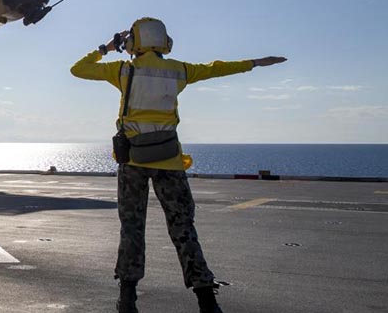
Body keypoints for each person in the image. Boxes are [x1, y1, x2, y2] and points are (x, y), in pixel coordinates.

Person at [70, 17, 286, 313]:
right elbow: (217, 68)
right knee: (183, 227)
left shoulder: (122, 70)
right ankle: (206, 299)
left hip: (132, 160)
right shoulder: (178, 71)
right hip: (169, 161)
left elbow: (77, 69)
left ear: (133, 42)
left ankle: (128, 298)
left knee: (132, 228)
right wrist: (255, 62)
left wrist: (106, 47)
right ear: (164, 42)